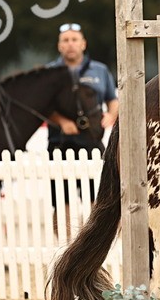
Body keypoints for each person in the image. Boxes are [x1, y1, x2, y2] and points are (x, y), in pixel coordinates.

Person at [47, 23, 119, 209]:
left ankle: (96, 238)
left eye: (74, 40)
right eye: (65, 40)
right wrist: (61, 122)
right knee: (62, 202)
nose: (70, 44)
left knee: (98, 199)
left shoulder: (100, 70)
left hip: (92, 142)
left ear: (83, 44)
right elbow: (43, 106)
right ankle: (67, 238)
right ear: (59, 45)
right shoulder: (48, 73)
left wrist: (111, 115)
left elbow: (113, 99)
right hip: (60, 143)